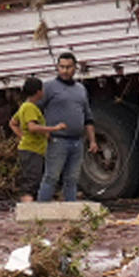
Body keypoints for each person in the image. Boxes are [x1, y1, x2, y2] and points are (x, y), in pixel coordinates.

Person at [36, 52, 96, 202]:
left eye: (68, 67)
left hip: (77, 141)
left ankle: (71, 212)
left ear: (75, 68)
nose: (65, 70)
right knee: (51, 177)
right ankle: (40, 212)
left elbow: (88, 117)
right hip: (57, 140)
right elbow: (34, 111)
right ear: (57, 68)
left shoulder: (81, 89)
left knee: (72, 179)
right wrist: (44, 131)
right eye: (62, 67)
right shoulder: (48, 87)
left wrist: (92, 140)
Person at [8, 77, 66, 202]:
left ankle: (35, 209)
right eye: (42, 89)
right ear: (38, 92)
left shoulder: (25, 106)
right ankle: (27, 211)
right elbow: (32, 127)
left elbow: (12, 123)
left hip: (33, 149)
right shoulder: (30, 108)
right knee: (31, 182)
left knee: (39, 180)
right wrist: (54, 129)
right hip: (31, 150)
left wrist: (23, 137)